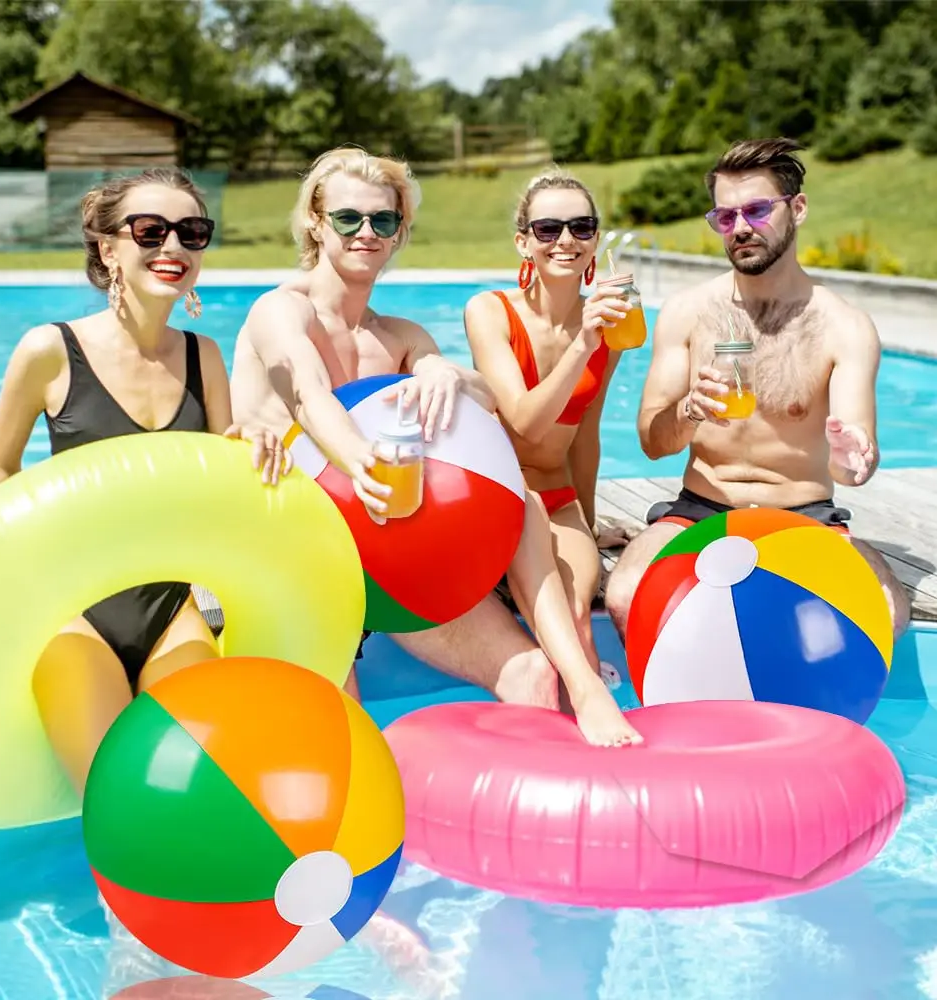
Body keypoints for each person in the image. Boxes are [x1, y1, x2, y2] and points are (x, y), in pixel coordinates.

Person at [230, 146, 641, 746]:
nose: (367, 233)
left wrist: (446, 371)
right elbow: (311, 396)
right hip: (305, 550)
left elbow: (487, 399)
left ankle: (587, 691)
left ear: (400, 233)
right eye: (349, 219)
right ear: (316, 224)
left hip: (390, 552)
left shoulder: (399, 336)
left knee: (530, 658)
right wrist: (363, 467)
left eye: (384, 221)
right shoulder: (281, 312)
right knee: (338, 728)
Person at [0, 167, 288, 794]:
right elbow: (1, 468)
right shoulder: (50, 350)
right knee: (115, 797)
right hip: (75, 610)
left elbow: (222, 484)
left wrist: (255, 440)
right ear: (108, 246)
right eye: (151, 231)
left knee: (196, 789)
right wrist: (26, 584)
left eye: (192, 232)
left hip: (169, 607)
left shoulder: (204, 356)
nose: (172, 247)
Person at [604, 137, 911, 642]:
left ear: (799, 208)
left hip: (803, 518)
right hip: (700, 511)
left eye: (757, 210)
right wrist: (688, 412)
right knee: (624, 593)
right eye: (725, 217)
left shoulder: (843, 326)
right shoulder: (687, 312)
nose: (740, 228)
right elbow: (652, 442)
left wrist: (854, 458)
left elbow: (852, 467)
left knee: (882, 608)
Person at [463, 168, 636, 699]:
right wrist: (584, 343)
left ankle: (593, 751)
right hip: (502, 498)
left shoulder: (611, 327)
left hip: (558, 500)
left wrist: (585, 520)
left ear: (595, 242)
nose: (566, 240)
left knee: (580, 619)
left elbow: (585, 437)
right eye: (548, 229)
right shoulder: (489, 311)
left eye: (581, 227)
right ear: (524, 242)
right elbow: (523, 421)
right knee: (552, 623)